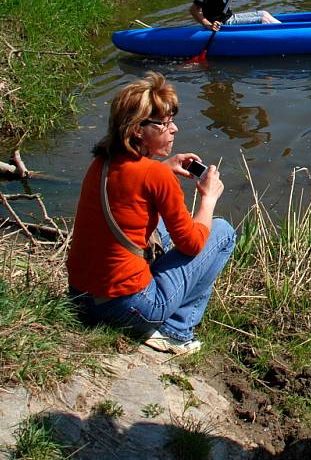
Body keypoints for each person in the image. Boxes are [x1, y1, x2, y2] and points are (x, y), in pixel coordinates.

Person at [67, 71, 236, 356]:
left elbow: (130, 190)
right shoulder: (155, 176)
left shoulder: (102, 162)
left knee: (166, 230)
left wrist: (164, 166)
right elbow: (193, 244)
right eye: (165, 124)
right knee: (220, 233)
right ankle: (176, 330)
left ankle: (164, 323)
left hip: (81, 297)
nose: (174, 130)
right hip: (131, 307)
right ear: (137, 130)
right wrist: (208, 199)